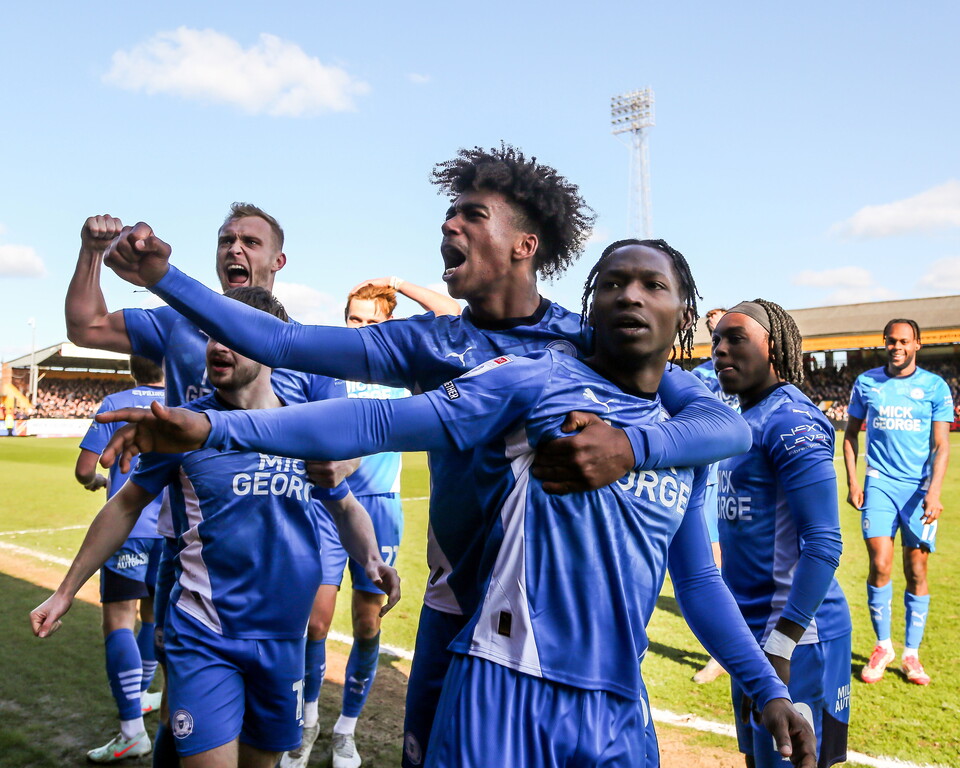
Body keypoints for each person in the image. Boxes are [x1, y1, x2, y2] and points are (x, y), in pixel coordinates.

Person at [99, 144, 753, 766]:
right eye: (450, 212)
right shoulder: (429, 343)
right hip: (453, 605)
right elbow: (287, 343)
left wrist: (631, 446)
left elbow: (716, 423)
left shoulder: (589, 339)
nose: (449, 223)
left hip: (554, 629)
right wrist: (164, 277)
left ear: (525, 245)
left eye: (472, 214)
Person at [32, 287, 400, 768]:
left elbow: (343, 503)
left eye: (233, 336)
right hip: (206, 636)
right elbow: (124, 507)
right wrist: (64, 592)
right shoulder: (185, 426)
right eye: (211, 335)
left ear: (271, 346)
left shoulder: (304, 427)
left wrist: (371, 559)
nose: (216, 346)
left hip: (282, 641)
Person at [65, 205, 346, 767]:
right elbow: (84, 326)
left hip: (280, 554)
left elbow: (341, 458)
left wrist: (335, 542)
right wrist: (91, 252)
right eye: (225, 240)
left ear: (277, 260)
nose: (234, 249)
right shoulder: (177, 322)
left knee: (248, 729)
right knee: (187, 708)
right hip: (187, 549)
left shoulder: (307, 348)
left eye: (249, 241)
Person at [285, 280, 459, 768]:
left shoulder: (406, 370)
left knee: (366, 623)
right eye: (354, 319)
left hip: (379, 506)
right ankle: (309, 719)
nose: (361, 329)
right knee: (315, 620)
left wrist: (399, 284)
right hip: (325, 504)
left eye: (372, 320)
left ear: (389, 323)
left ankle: (346, 731)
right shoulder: (330, 366)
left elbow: (452, 315)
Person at [712, 300, 851, 768]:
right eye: (716, 341)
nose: (720, 351)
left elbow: (824, 543)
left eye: (736, 339)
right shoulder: (739, 419)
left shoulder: (791, 420)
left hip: (795, 638)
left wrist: (781, 643)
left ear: (774, 347)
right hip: (750, 639)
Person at [843, 319, 953, 686]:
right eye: (891, 341)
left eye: (904, 341)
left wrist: (934, 492)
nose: (897, 346)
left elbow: (941, 445)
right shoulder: (867, 383)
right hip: (879, 484)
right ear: (885, 343)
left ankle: (911, 654)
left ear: (917, 344)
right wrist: (854, 480)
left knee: (917, 569)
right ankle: (883, 646)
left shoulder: (935, 387)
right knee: (880, 562)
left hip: (919, 490)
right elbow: (850, 435)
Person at [75, 355, 166, 762]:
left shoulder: (116, 402)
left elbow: (83, 469)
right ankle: (143, 695)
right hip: (172, 530)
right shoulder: (184, 404)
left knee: (117, 620)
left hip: (128, 528)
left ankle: (132, 729)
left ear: (133, 365)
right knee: (151, 616)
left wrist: (95, 480)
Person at [691, 306, 740, 685]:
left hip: (747, 478)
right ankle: (720, 654)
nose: (715, 334)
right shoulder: (699, 377)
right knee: (714, 565)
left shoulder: (751, 373)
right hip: (710, 481)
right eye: (712, 329)